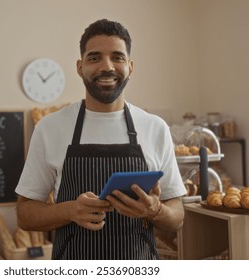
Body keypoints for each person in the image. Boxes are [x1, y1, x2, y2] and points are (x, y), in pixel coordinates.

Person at [15, 19, 186, 260]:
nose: (107, 67)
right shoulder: (50, 128)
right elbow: (24, 214)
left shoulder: (155, 128)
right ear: (79, 66)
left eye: (117, 57)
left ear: (130, 66)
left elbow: (177, 216)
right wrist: (70, 210)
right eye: (94, 58)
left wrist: (155, 210)